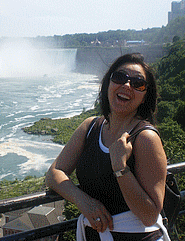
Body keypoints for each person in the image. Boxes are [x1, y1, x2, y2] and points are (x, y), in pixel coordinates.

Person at [45, 53, 169, 241]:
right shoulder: (90, 127)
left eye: (138, 83)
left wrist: (120, 168)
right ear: (108, 84)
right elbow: (54, 173)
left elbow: (149, 215)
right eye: (120, 77)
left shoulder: (145, 138)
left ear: (144, 97)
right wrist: (84, 202)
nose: (127, 85)